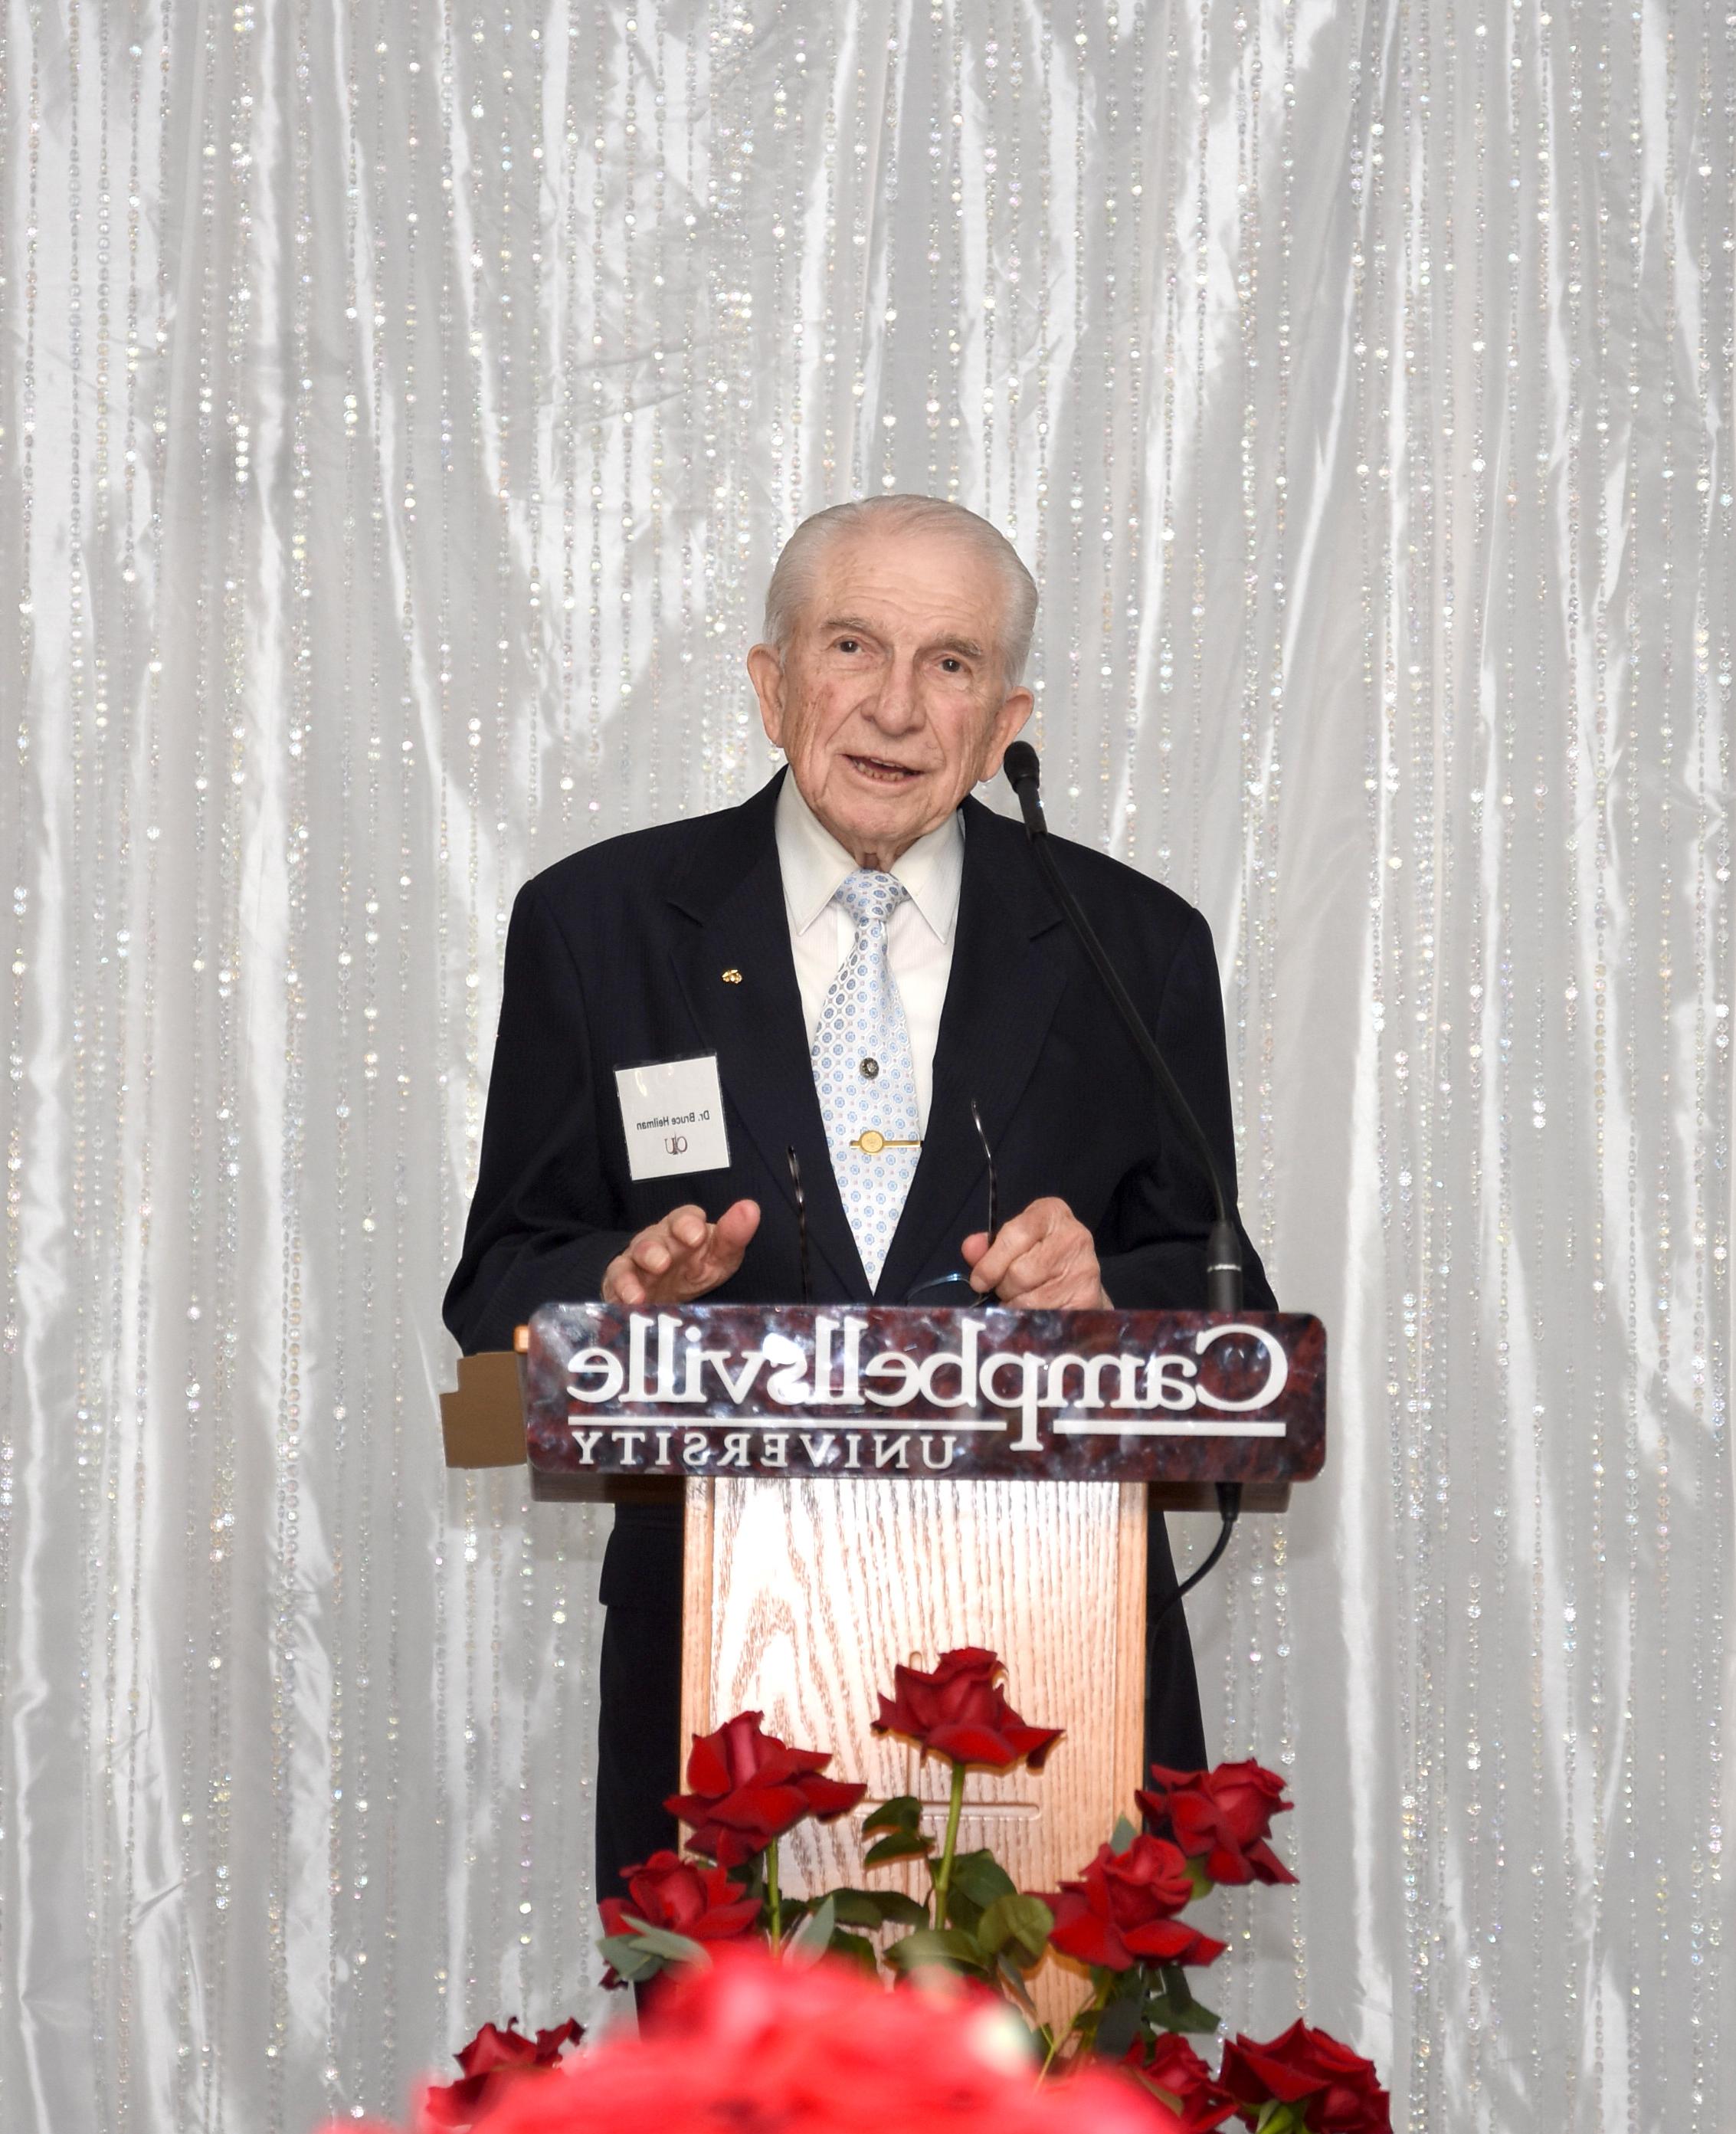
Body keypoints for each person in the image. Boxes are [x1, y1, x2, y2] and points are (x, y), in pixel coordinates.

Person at [442, 493, 1274, 1915]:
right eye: (851, 646)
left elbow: (1225, 1303)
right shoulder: (600, 924)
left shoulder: (1130, 941)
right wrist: (623, 1291)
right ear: (772, 685)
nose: (895, 705)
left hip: (1055, 1655)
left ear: (1007, 714)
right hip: (722, 1675)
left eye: (950, 664)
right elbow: (497, 1281)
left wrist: (1100, 1294)